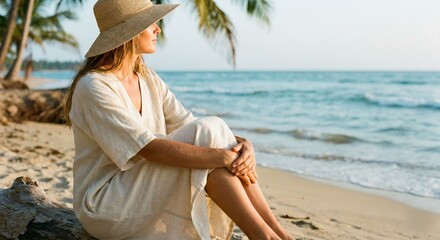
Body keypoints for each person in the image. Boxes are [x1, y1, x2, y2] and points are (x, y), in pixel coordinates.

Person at [64, 0, 293, 239]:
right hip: (105, 204)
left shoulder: (147, 78)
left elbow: (190, 125)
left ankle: (275, 232)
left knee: (213, 128)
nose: (158, 29)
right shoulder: (94, 86)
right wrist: (224, 157)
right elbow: (149, 149)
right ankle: (265, 235)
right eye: (150, 23)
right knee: (211, 132)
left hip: (136, 188)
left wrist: (243, 145)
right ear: (130, 32)